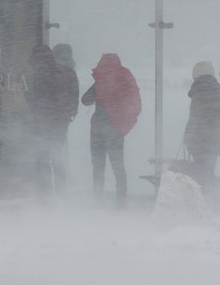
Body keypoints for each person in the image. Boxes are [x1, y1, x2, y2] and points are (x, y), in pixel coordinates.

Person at [81, 53, 141, 209]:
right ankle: (121, 201)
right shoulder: (125, 78)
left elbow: (85, 100)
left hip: (98, 129)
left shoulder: (102, 80)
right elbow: (134, 103)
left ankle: (98, 201)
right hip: (116, 129)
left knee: (98, 166)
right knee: (118, 166)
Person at [182, 61, 220, 208]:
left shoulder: (198, 93)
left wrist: (188, 136)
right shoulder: (219, 93)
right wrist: (213, 130)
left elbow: (194, 118)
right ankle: (214, 202)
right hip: (213, 142)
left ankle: (204, 205)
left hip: (198, 142)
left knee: (201, 174)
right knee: (207, 171)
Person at [26, 44, 69, 197]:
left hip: (46, 123)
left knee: (43, 158)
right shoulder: (58, 71)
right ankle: (59, 192)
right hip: (57, 123)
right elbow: (62, 99)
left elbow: (40, 100)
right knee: (56, 158)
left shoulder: (43, 73)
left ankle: (46, 194)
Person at [52, 43, 80, 180]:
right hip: (62, 118)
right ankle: (61, 184)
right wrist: (70, 113)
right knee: (58, 150)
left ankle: (49, 189)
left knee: (49, 151)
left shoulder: (51, 70)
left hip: (50, 116)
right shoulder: (70, 71)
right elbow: (74, 95)